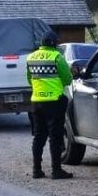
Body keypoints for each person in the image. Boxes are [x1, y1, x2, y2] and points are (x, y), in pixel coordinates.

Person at [26, 30, 74, 179]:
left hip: (36, 101)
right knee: (55, 136)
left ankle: (37, 170)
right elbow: (67, 79)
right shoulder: (57, 57)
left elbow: (29, 79)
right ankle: (56, 170)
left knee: (39, 136)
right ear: (54, 44)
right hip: (54, 102)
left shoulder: (31, 58)